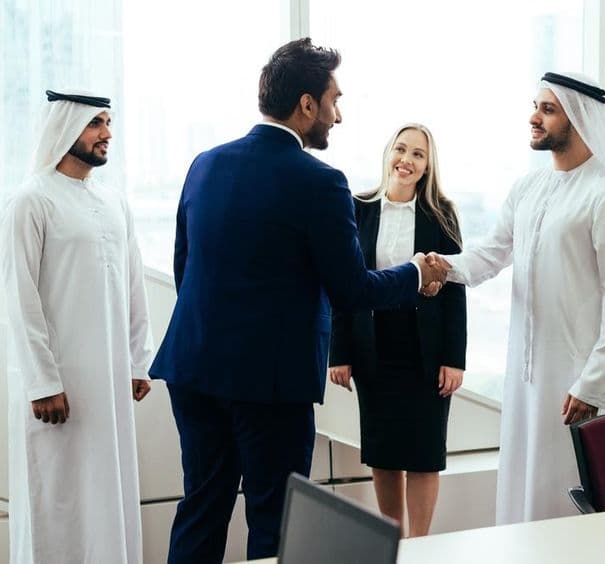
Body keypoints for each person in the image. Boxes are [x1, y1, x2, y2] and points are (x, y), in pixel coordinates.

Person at [148, 39, 447, 562]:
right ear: (307, 104)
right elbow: (352, 290)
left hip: (194, 369)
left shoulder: (205, 164)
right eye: (334, 99)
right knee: (275, 522)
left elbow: (184, 267)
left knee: (201, 507)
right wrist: (416, 273)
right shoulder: (321, 181)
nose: (338, 114)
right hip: (271, 383)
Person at [427, 72, 605, 523]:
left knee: (568, 497)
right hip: (525, 379)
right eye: (536, 106)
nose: (534, 118)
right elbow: (492, 253)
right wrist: (444, 267)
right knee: (522, 489)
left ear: (578, 116)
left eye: (547, 110)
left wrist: (593, 383)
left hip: (575, 381)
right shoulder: (528, 187)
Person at [1, 89, 153, 564]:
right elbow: (20, 297)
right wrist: (42, 381)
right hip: (58, 389)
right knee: (58, 503)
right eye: (96, 124)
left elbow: (132, 287)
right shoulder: (31, 200)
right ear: (66, 128)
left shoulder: (114, 202)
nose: (107, 134)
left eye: (108, 123)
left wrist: (136, 360)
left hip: (108, 386)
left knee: (110, 494)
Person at [328, 123, 466, 537]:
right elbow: (341, 284)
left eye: (418, 154)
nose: (407, 160)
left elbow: (456, 290)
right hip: (373, 345)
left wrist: (454, 359)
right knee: (384, 454)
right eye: (401, 150)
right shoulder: (358, 208)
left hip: (425, 349)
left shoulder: (441, 213)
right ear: (388, 154)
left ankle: (418, 547)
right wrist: (340, 352)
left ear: (427, 167)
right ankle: (393, 543)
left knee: (424, 455)